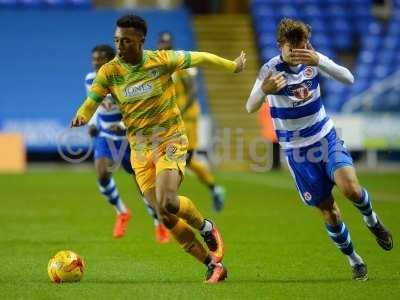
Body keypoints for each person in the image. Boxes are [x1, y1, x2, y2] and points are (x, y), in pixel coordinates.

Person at [71, 15, 246, 283]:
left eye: (126, 41)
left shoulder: (161, 60)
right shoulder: (110, 71)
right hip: (139, 149)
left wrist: (232, 65)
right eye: (117, 40)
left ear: (141, 41)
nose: (120, 46)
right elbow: (92, 100)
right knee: (164, 216)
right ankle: (213, 265)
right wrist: (82, 115)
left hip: (170, 140)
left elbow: (199, 57)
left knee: (168, 201)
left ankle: (206, 227)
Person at [246, 18, 392, 281]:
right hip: (297, 152)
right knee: (329, 210)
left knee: (351, 189)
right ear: (281, 45)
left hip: (325, 138)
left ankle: (372, 221)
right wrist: (263, 92)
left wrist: (319, 61)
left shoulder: (313, 59)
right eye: (294, 49)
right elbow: (250, 106)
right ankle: (354, 259)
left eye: (304, 47)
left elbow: (349, 78)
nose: (300, 53)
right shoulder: (269, 70)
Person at [85, 44, 170, 243]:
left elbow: (138, 109)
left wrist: (122, 124)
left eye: (100, 59)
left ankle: (159, 223)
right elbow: (94, 103)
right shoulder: (90, 80)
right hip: (105, 136)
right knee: (102, 173)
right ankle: (122, 212)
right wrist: (91, 122)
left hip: (129, 138)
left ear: (111, 60)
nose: (96, 62)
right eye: (94, 59)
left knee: (143, 187)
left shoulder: (124, 80)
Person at [158, 32, 225, 212]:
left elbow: (192, 91)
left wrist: (181, 111)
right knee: (184, 158)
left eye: (168, 44)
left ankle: (172, 196)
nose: (165, 47)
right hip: (174, 118)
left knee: (185, 156)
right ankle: (214, 189)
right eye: (162, 44)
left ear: (172, 45)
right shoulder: (161, 66)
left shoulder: (180, 64)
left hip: (187, 118)